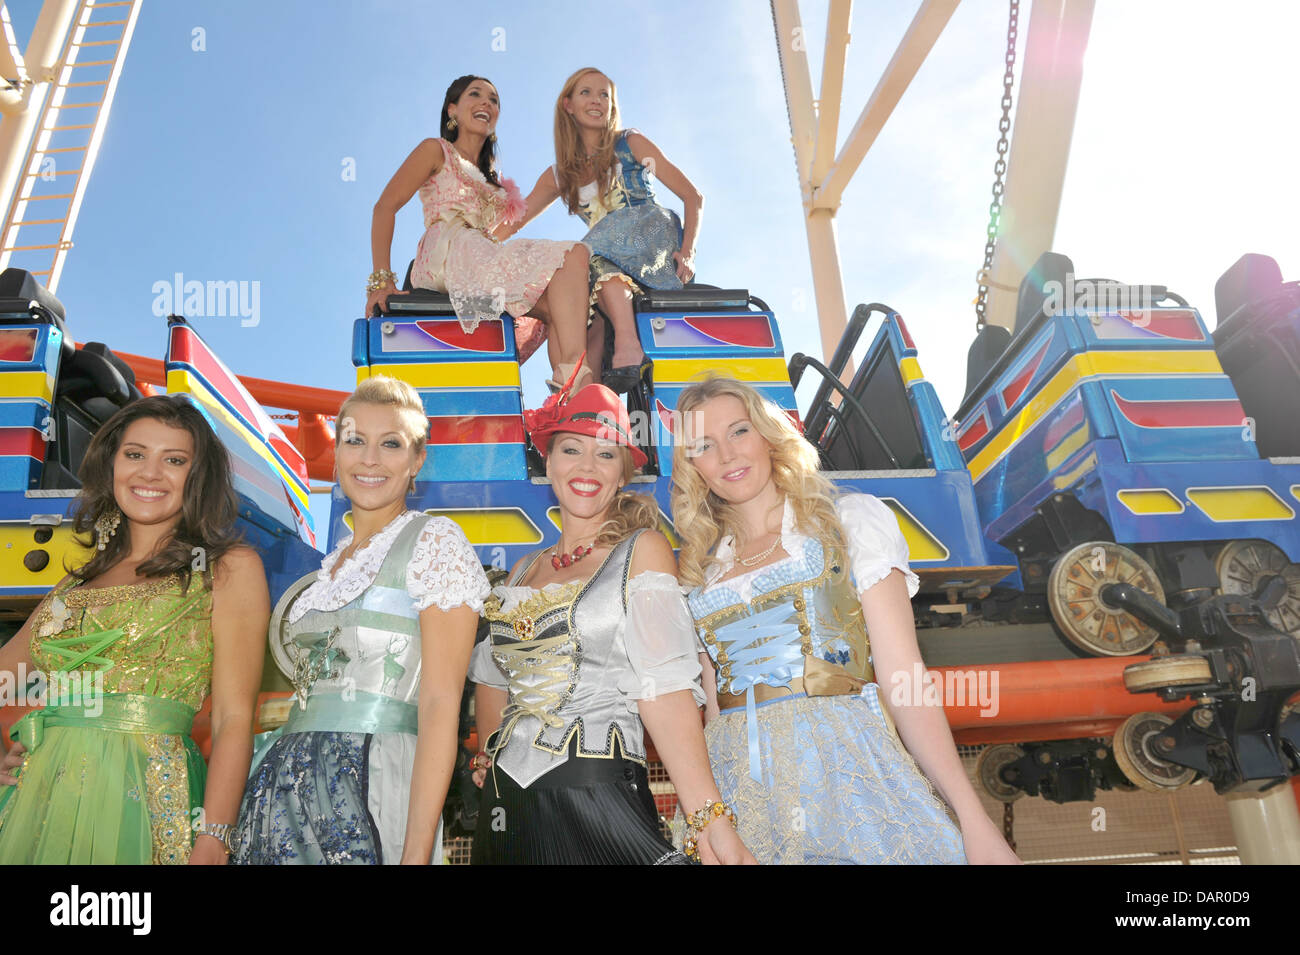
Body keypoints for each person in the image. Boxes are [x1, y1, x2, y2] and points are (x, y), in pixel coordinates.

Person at [671, 377, 1021, 865]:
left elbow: (904, 678)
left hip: (848, 776)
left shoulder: (849, 524)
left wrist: (973, 820)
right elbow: (712, 711)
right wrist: (709, 820)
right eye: (704, 445)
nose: (727, 456)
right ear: (692, 466)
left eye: (739, 431)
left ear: (770, 436)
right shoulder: (700, 575)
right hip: (741, 793)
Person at [469, 370, 753, 864]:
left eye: (605, 453)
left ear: (623, 472)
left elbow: (664, 692)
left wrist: (709, 818)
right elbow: (492, 678)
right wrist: (488, 754)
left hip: (599, 800)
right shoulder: (520, 572)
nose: (587, 466)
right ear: (548, 460)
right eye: (571, 449)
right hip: (507, 810)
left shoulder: (642, 550)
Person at [0, 395, 269, 864]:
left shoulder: (227, 568)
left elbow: (232, 718)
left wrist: (215, 837)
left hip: (149, 801)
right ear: (112, 465)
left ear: (197, 476)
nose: (150, 473)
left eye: (175, 460)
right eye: (135, 454)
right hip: (39, 799)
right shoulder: (76, 583)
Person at [231, 376, 488, 864]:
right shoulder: (329, 568)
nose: (370, 459)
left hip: (376, 777)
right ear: (338, 454)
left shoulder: (434, 542)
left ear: (417, 461)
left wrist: (415, 857)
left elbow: (438, 705)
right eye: (355, 440)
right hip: (280, 784)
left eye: (390, 444)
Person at [367, 74, 594, 392]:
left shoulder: (495, 181)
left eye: (494, 99)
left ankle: (572, 389)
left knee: (574, 264)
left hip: (481, 254)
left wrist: (554, 182)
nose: (487, 102)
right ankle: (579, 385)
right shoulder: (436, 151)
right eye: (475, 94)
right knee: (560, 294)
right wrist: (381, 282)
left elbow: (509, 225)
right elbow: (384, 207)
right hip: (446, 252)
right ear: (452, 110)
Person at [500, 67, 703, 393]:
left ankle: (628, 343)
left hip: (651, 234)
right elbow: (516, 219)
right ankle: (583, 399)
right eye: (586, 93)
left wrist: (688, 252)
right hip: (602, 254)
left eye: (604, 94)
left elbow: (693, 197)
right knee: (574, 299)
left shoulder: (630, 143)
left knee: (582, 256)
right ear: (567, 104)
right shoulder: (559, 174)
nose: (597, 100)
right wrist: (472, 245)